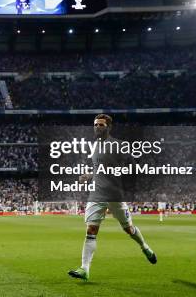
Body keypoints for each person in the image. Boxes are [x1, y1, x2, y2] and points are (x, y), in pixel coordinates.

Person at [68, 114, 157, 282]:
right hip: (97, 194)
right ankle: (84, 269)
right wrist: (89, 175)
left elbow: (132, 166)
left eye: (101, 125)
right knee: (91, 231)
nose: (97, 127)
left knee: (128, 229)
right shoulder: (94, 147)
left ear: (109, 127)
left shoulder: (118, 145)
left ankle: (144, 247)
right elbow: (99, 169)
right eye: (95, 125)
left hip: (115, 194)